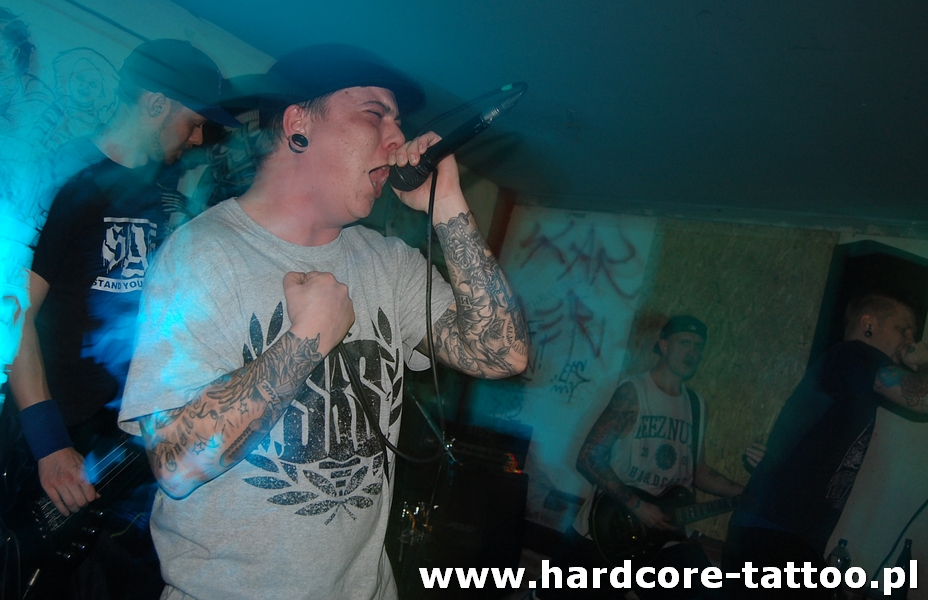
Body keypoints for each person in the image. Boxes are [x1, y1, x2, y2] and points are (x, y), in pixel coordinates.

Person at [117, 44, 528, 600]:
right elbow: (174, 462)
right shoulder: (200, 256)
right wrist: (304, 341)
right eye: (375, 114)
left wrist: (448, 205)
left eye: (398, 122)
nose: (397, 139)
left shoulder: (388, 263)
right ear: (298, 125)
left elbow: (503, 352)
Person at [6, 38, 238, 599]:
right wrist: (48, 444)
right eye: (193, 121)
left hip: (112, 446)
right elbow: (13, 315)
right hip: (47, 443)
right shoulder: (63, 180)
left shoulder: (157, 194)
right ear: (156, 102)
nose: (198, 137)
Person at [722, 293, 928, 599]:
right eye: (903, 330)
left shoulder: (845, 371)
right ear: (868, 325)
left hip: (780, 533)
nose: (910, 341)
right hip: (775, 532)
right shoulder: (854, 354)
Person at [536, 316, 757, 600]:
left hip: (667, 533)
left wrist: (746, 493)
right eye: (685, 343)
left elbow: (698, 471)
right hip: (613, 524)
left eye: (698, 346)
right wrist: (638, 506)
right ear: (664, 346)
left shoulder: (696, 404)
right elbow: (589, 457)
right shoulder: (634, 393)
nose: (692, 352)